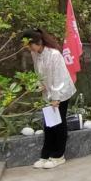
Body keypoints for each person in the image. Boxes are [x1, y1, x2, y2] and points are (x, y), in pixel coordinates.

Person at [24, 29, 76, 169]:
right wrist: (39, 85)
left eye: (29, 44)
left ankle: (59, 156)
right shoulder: (35, 54)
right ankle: (46, 154)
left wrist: (56, 98)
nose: (28, 48)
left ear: (38, 42)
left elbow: (58, 77)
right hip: (48, 92)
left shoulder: (54, 54)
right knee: (49, 124)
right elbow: (38, 72)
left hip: (61, 92)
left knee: (58, 123)